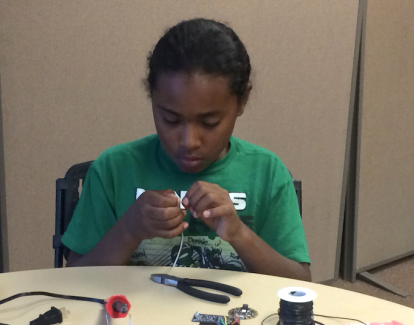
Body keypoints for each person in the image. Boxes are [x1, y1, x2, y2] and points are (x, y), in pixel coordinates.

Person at [63, 18, 311, 281]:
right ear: (153, 98)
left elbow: (300, 284)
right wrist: (128, 230)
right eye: (171, 120)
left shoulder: (267, 173)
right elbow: (76, 279)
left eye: (209, 122)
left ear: (242, 102)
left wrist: (239, 234)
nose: (189, 141)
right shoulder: (114, 168)